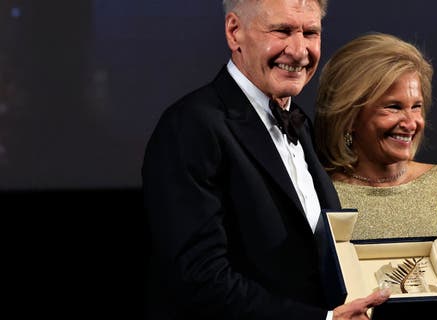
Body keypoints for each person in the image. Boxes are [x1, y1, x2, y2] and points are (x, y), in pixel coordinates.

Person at [142, 1, 390, 319]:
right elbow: (200, 278)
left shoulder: (300, 123)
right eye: (282, 30)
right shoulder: (191, 126)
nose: (300, 50)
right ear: (235, 32)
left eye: (310, 32)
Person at [314, 32, 437, 319]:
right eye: (393, 106)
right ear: (350, 115)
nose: (411, 123)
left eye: (417, 106)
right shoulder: (317, 194)